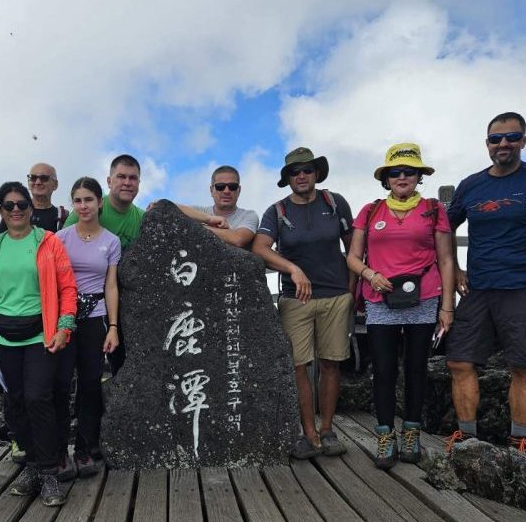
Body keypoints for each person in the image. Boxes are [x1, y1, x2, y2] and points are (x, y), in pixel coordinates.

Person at [445, 111, 526, 454]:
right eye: (496, 138)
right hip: (477, 289)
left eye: (512, 137)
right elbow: (444, 229)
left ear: (524, 140)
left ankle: (519, 438)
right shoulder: (471, 186)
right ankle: (467, 437)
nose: (503, 144)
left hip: (523, 286)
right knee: (459, 361)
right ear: (487, 144)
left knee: (522, 365)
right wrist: (456, 269)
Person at [346, 143, 454, 469]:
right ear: (386, 178)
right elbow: (352, 257)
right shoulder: (371, 210)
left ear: (419, 176)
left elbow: (446, 259)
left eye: (409, 171)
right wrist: (369, 274)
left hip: (424, 296)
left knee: (417, 367)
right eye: (395, 172)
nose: (402, 177)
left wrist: (447, 308)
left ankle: (411, 432)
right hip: (380, 299)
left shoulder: (433, 209)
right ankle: (384, 434)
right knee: (383, 369)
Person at [253, 147, 355, 459]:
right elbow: (260, 247)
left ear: (316, 174)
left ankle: (328, 429)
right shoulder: (277, 211)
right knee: (299, 366)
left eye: (307, 170)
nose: (301, 176)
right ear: (287, 178)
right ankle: (308, 433)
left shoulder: (335, 203)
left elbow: (353, 249)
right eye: (295, 172)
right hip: (295, 299)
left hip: (336, 295)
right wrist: (292, 269)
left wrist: (352, 291)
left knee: (331, 363)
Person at [0, 182, 77, 507]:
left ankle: (50, 471)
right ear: (1, 210)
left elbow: (67, 287)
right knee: (17, 402)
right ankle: (34, 468)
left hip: (41, 333)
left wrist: (65, 326)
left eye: (22, 204)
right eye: (8, 205)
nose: (16, 210)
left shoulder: (48, 242)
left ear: (30, 208)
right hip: (3, 337)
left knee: (39, 398)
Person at [55, 177, 121, 478]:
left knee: (91, 385)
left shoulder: (111, 241)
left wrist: (113, 326)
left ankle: (84, 449)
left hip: (95, 317)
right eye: (78, 200)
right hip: (64, 318)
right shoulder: (60, 238)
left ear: (99, 203)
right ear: (73, 204)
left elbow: (111, 286)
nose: (84, 206)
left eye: (89, 200)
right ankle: (58, 451)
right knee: (60, 383)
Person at [64, 154, 144, 376]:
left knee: (107, 367)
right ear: (109, 182)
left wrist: (208, 220)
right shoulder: (82, 212)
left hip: (119, 301)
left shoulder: (141, 218)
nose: (127, 182)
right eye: (121, 177)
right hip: (78, 305)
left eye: (133, 178)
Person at [176, 165, 260, 249]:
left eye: (232, 187)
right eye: (220, 186)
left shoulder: (248, 216)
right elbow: (168, 207)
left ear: (239, 190)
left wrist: (197, 226)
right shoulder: (199, 212)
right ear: (211, 190)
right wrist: (209, 219)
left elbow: (238, 239)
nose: (226, 191)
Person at [0, 163, 68, 234]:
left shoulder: (63, 216)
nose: (38, 182)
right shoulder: (14, 211)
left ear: (55, 184)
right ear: (28, 182)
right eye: (33, 178)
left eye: (44, 178)